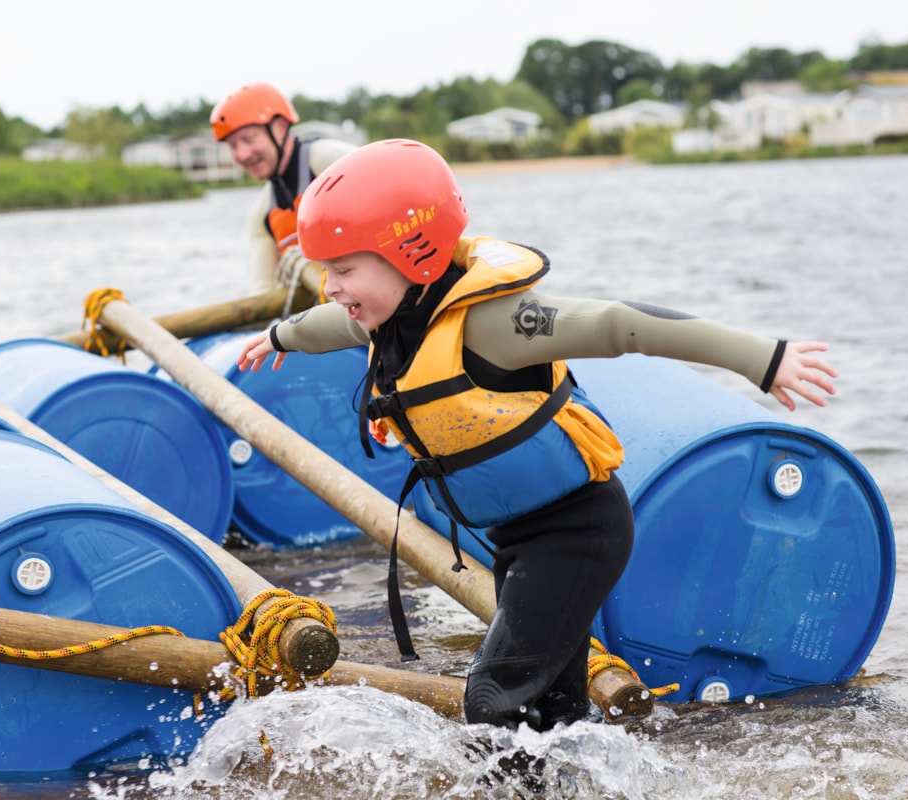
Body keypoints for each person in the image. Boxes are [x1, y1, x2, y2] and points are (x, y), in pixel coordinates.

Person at [235, 138, 839, 733]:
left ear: (412, 255)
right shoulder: (392, 315)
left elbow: (620, 325)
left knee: (494, 701)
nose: (332, 286)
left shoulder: (493, 324)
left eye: (343, 270)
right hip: (516, 541)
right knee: (553, 716)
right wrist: (281, 337)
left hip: (579, 532)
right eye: (323, 272)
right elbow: (331, 324)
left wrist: (762, 357)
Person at [209, 82, 357, 298]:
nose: (242, 154)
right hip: (332, 309)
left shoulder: (330, 161)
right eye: (233, 146)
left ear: (279, 127)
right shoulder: (261, 214)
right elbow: (263, 292)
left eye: (248, 140)